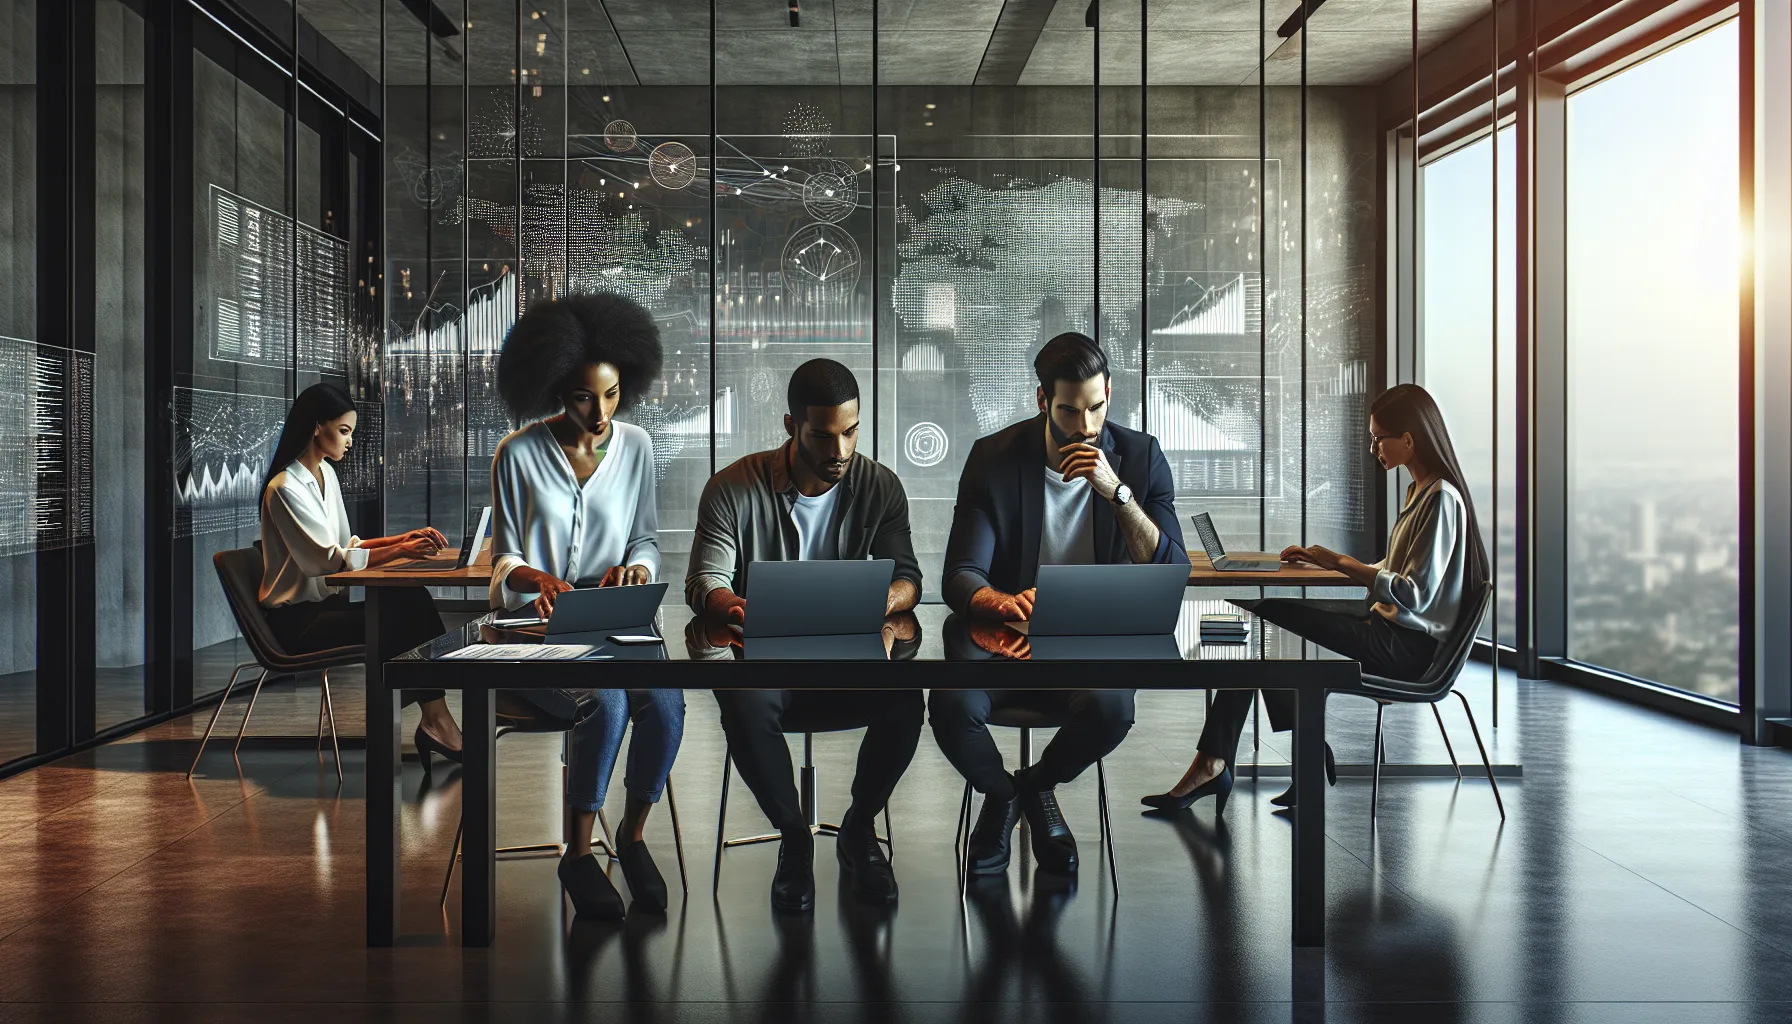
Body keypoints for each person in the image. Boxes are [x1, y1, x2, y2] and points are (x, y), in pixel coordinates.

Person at [1143, 382, 1489, 813]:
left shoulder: (1441, 499)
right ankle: (1261, 757)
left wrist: (1341, 562)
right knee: (1261, 622)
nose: (1373, 448)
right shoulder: (1420, 490)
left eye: (1378, 438)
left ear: (1409, 440)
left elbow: (1412, 594)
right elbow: (1397, 569)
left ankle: (1223, 762)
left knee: (1264, 628)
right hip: (1387, 628)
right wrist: (1323, 561)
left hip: (1405, 649)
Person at [934, 332, 1187, 877]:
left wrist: (1116, 492)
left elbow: (1168, 573)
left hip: (1093, 647)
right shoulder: (994, 458)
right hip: (1006, 640)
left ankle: (1039, 787)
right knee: (950, 707)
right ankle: (1004, 794)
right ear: (1043, 401)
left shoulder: (1140, 460)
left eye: (1096, 407)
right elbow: (959, 575)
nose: (1086, 426)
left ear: (1109, 394)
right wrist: (998, 600)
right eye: (1070, 410)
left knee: (1112, 709)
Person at [686, 358, 924, 912]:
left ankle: (859, 829)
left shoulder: (880, 486)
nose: (840, 450)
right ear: (792, 425)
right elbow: (705, 583)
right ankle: (793, 838)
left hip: (851, 665)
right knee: (744, 702)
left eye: (851, 431)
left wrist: (883, 602)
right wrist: (735, 605)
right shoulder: (732, 487)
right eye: (823, 435)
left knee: (906, 700)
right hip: (768, 667)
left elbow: (907, 576)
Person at [490, 291, 684, 919]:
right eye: (581, 396)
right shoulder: (517, 454)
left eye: (611, 393)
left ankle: (629, 837)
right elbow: (504, 560)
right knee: (606, 702)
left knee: (667, 703)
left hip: (614, 625)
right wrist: (535, 577)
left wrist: (639, 567)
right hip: (535, 635)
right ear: (553, 387)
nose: (599, 411)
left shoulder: (638, 447)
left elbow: (647, 538)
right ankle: (577, 853)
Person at [258, 383, 462, 763]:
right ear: (317, 427)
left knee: (410, 597)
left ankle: (436, 718)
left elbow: (346, 546)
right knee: (401, 621)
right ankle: (435, 720)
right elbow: (331, 561)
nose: (350, 442)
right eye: (345, 431)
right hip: (296, 624)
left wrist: (403, 537)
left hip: (324, 610)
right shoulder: (285, 488)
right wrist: (401, 550)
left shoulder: (325, 476)